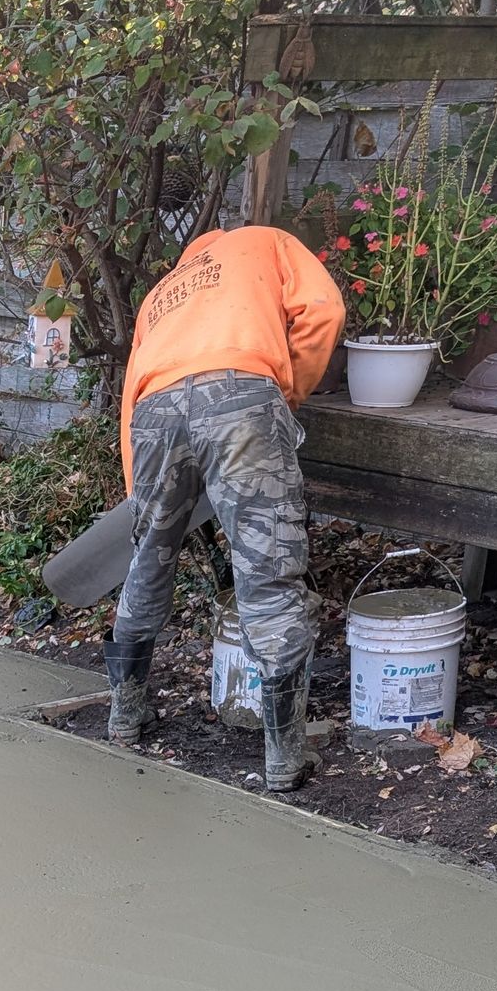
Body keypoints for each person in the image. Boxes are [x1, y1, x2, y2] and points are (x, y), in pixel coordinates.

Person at [110, 223, 344, 790]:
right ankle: (284, 756)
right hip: (243, 396)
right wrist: (282, 395)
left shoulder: (165, 289)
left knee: (147, 560)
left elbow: (132, 392)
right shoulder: (264, 240)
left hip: (155, 414)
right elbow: (323, 310)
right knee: (267, 576)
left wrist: (138, 493)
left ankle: (125, 714)